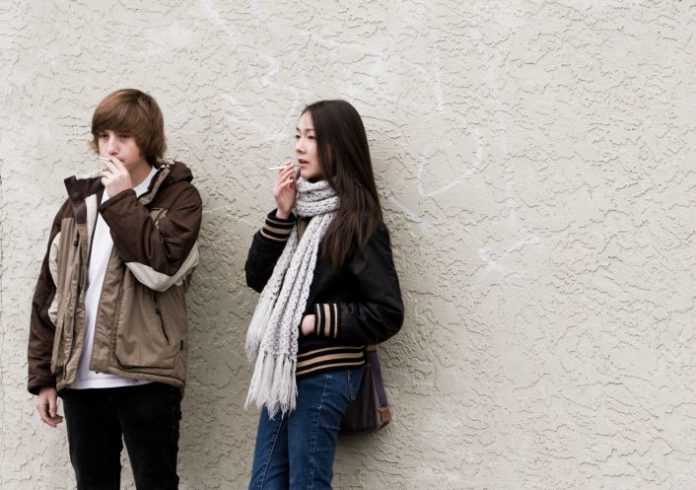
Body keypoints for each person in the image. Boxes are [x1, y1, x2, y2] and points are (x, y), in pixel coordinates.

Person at [27, 88, 202, 489]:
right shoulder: (78, 203)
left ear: (148, 139)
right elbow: (50, 293)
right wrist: (44, 378)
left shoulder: (179, 198)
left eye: (123, 137)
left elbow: (159, 269)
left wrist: (123, 200)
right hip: (82, 380)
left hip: (146, 377)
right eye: (104, 136)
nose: (111, 147)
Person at [244, 99, 404, 489]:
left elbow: (386, 311)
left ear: (339, 145)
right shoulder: (299, 212)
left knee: (307, 483)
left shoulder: (359, 221)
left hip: (327, 371)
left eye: (311, 138)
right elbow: (256, 276)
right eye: (297, 136)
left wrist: (316, 320)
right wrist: (281, 215)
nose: (299, 146)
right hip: (283, 370)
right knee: (264, 484)